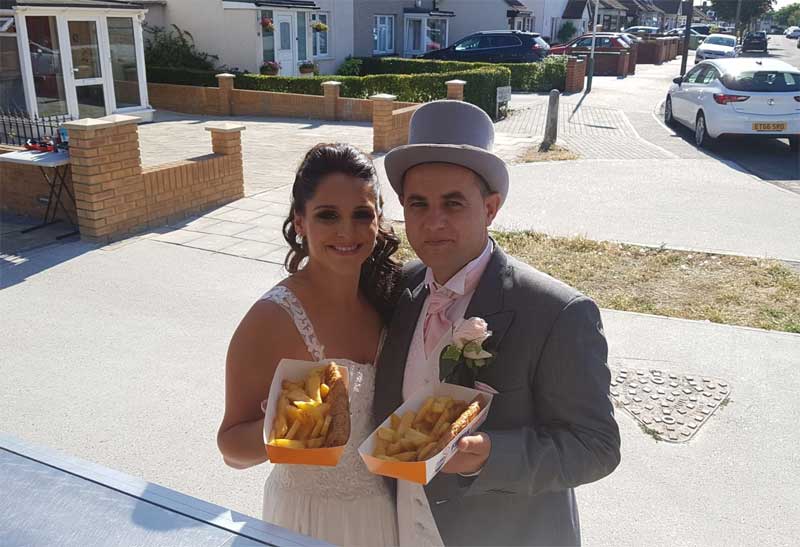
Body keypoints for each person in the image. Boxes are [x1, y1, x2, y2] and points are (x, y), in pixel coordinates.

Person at [374, 100, 621, 546]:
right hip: (403, 525)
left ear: (490, 208)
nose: (433, 222)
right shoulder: (403, 287)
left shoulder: (557, 312)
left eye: (453, 203)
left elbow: (596, 446)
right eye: (418, 204)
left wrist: (490, 455)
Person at [217, 143, 400, 546]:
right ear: (300, 221)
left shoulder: (387, 299)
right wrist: (292, 432)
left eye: (361, 214)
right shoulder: (272, 318)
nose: (346, 232)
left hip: (384, 514)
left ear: (378, 219)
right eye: (327, 215)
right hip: (309, 518)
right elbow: (231, 448)